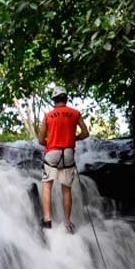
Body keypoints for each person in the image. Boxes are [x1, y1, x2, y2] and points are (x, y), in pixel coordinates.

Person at [38, 92, 90, 233]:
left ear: (54, 100)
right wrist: (74, 139)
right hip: (68, 153)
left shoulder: (48, 116)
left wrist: (49, 143)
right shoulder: (75, 113)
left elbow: (40, 139)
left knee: (47, 185)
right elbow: (86, 133)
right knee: (66, 189)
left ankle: (47, 220)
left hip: (52, 152)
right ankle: (67, 222)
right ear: (66, 100)